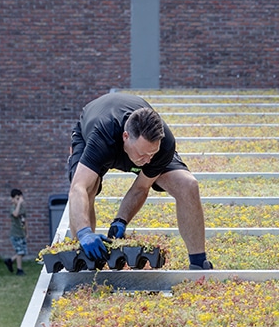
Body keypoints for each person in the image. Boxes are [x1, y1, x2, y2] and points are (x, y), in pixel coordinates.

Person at [67, 93, 212, 270]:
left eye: (152, 154)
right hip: (93, 131)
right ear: (126, 137)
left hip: (137, 142)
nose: (148, 161)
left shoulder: (163, 144)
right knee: (88, 187)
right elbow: (78, 188)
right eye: (143, 155)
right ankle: (84, 259)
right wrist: (84, 232)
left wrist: (121, 221)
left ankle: (199, 263)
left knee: (188, 185)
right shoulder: (102, 136)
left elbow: (142, 187)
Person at [6, 189, 27, 276]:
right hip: (15, 234)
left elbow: (25, 221)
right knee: (20, 252)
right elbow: (15, 214)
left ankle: (10, 260)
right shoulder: (13, 208)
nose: (20, 201)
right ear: (12, 199)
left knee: (23, 252)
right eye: (17, 199)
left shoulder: (23, 208)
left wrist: (26, 232)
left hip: (21, 233)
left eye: (20, 198)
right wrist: (18, 203)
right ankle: (19, 269)